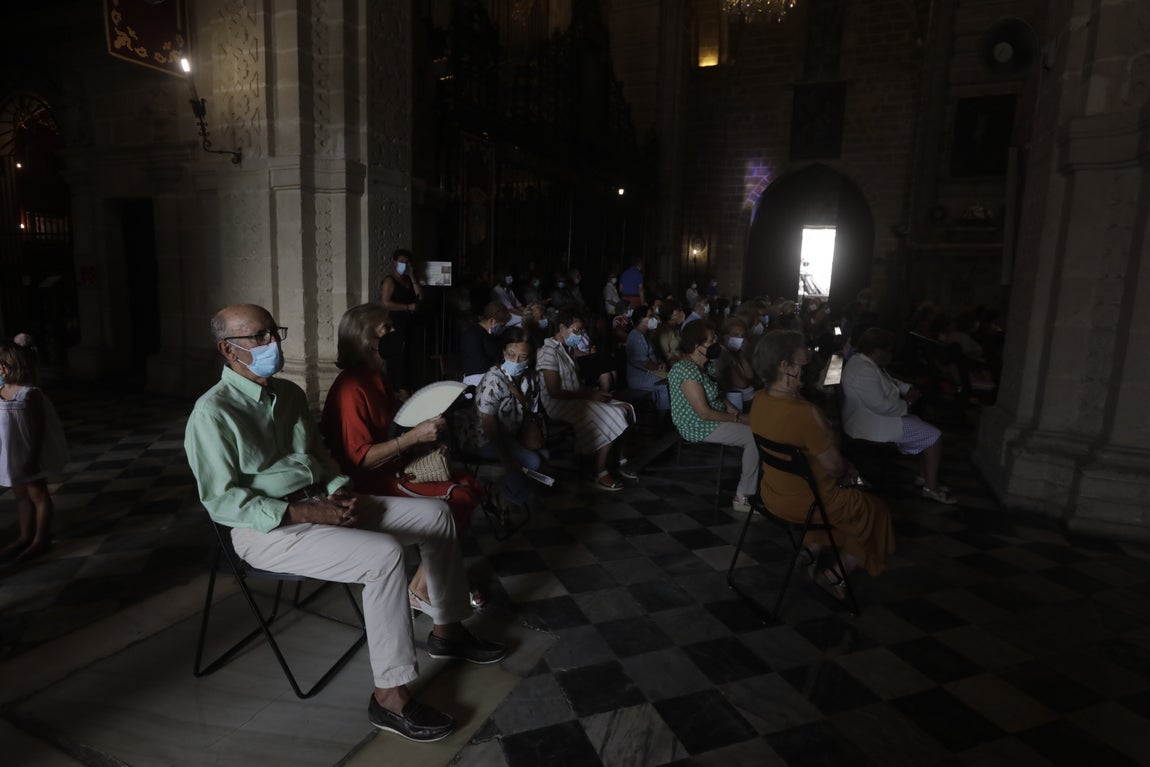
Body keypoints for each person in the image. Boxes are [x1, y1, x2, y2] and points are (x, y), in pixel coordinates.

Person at [185, 304, 504, 743]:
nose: (273, 344)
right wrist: (306, 512)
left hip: (320, 501)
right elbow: (222, 501)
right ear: (228, 349)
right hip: (266, 528)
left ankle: (446, 629)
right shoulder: (212, 413)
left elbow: (321, 458)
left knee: (437, 514)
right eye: (258, 337)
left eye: (274, 332)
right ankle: (389, 696)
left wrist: (337, 490)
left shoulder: (290, 395)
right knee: (384, 555)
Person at [321, 302, 487, 608]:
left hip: (392, 467)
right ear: (366, 339)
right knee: (458, 495)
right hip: (366, 481)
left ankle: (432, 579)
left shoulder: (377, 378)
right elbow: (359, 460)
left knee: (468, 483)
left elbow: (391, 434)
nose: (395, 332)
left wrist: (424, 444)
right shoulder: (351, 387)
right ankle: (422, 588)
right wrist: (414, 437)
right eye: (387, 328)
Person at [750, 330, 896, 599]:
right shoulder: (805, 413)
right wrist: (849, 471)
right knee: (876, 510)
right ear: (785, 366)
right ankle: (833, 576)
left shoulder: (759, 400)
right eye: (802, 364)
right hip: (808, 503)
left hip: (772, 495)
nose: (806, 366)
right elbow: (835, 469)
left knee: (845, 500)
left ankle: (809, 553)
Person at [840, 327, 957, 504]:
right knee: (935, 437)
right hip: (873, 425)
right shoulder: (863, 369)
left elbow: (889, 381)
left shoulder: (865, 362)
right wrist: (908, 402)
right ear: (877, 350)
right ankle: (931, 488)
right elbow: (882, 406)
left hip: (873, 419)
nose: (890, 354)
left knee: (923, 426)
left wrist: (907, 388)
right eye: (888, 350)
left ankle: (923, 477)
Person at [667, 321, 759, 512]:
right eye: (710, 342)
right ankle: (742, 497)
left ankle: (757, 485)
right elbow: (704, 413)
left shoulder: (705, 366)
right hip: (697, 424)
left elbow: (719, 396)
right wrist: (738, 419)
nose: (715, 344)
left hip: (713, 417)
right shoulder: (685, 370)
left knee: (757, 428)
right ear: (695, 346)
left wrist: (736, 412)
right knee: (753, 437)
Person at [538, 312, 635, 490]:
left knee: (627, 408)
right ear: (562, 328)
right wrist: (590, 396)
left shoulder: (567, 349)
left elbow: (574, 383)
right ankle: (599, 470)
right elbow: (554, 391)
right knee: (614, 414)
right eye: (577, 330)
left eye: (582, 330)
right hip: (559, 403)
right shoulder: (548, 352)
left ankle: (618, 459)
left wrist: (592, 392)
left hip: (576, 397)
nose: (580, 334)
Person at [458, 328, 549, 518]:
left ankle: (498, 489)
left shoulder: (531, 378)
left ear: (532, 356)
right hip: (483, 438)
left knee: (544, 455)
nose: (516, 362)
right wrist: (507, 458)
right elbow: (488, 423)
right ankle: (500, 500)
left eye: (523, 357)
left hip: (511, 434)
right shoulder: (494, 379)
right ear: (503, 353)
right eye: (511, 355)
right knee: (532, 461)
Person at [0, 335, 67, 564]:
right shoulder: (1, 393)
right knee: (21, 496)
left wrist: (33, 457)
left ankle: (41, 538)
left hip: (29, 456)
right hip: (11, 455)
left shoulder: (29, 394)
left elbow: (39, 430)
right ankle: (25, 535)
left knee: (38, 495)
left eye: (2, 364)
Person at [379, 249, 424, 397]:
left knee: (412, 356)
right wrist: (407, 307)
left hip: (412, 323)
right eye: (401, 261)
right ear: (395, 262)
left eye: (406, 262)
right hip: (397, 322)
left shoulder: (408, 279)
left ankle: (411, 388)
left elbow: (420, 297)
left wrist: (413, 277)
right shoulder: (390, 280)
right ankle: (401, 390)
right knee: (400, 357)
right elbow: (385, 302)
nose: (403, 264)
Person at [624, 305, 669, 410]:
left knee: (670, 378)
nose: (653, 319)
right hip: (639, 375)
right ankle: (664, 416)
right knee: (664, 384)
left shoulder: (645, 335)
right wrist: (658, 368)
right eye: (650, 316)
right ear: (641, 319)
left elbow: (654, 355)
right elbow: (644, 362)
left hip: (650, 371)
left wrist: (661, 363)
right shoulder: (635, 336)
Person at [460, 302, 511, 386]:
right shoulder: (472, 335)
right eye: (501, 325)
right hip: (476, 378)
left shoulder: (489, 335)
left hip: (489, 374)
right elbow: (480, 364)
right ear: (492, 321)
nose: (502, 328)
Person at [719, 317, 756, 412]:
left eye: (742, 335)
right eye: (735, 335)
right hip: (739, 402)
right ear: (724, 336)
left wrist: (741, 355)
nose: (740, 339)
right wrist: (730, 359)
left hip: (750, 397)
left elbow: (750, 375)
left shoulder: (737, 352)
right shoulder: (723, 353)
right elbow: (742, 384)